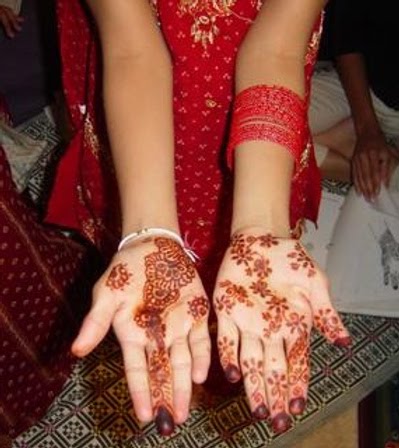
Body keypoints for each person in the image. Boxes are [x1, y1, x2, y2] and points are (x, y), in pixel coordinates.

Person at [46, 0, 350, 437]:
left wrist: (260, 226)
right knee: (147, 247)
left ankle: (221, 362)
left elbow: (278, 48)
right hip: (141, 103)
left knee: (241, 270)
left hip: (261, 115)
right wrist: (148, 231)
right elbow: (132, 47)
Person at [309, 0, 399, 200]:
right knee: (250, 126)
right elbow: (347, 40)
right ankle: (357, 163)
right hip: (359, 89)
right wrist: (367, 130)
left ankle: (350, 166)